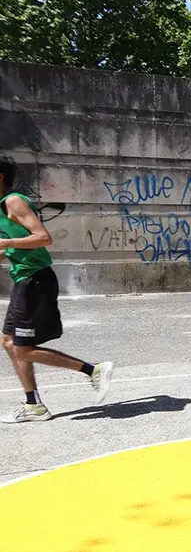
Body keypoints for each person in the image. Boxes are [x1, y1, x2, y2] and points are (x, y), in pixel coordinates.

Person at [0, 157, 113, 422]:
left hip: (35, 280)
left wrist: (5, 242)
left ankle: (92, 370)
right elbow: (13, 247)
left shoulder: (14, 201)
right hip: (24, 280)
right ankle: (33, 405)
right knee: (8, 341)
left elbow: (43, 237)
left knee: (22, 348)